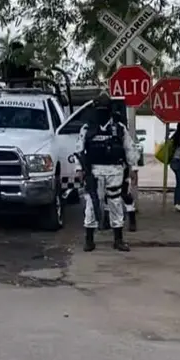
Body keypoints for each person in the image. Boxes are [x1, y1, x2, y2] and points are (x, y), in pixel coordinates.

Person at [76, 94, 138, 252]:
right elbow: (79, 149)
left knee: (115, 203)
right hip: (94, 171)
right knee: (92, 204)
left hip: (115, 171)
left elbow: (129, 147)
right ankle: (89, 240)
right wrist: (79, 169)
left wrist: (133, 168)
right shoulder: (87, 127)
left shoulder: (119, 127)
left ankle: (118, 240)